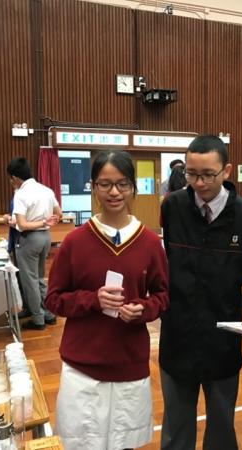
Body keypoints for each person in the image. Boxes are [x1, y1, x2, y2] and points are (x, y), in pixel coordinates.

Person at [45, 150, 168, 450]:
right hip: (82, 368)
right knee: (81, 444)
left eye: (122, 184)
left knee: (124, 444)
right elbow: (53, 299)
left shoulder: (151, 243)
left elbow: (163, 296)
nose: (114, 192)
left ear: (133, 188)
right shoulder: (74, 242)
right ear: (94, 187)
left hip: (129, 364)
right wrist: (93, 300)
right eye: (105, 184)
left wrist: (143, 310)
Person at [159, 134, 242, 450]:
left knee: (221, 425)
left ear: (226, 171)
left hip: (223, 336)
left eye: (207, 175)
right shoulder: (173, 206)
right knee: (176, 426)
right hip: (177, 333)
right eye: (191, 174)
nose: (199, 183)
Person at [7, 157, 61, 330]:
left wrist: (11, 221)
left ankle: (37, 319)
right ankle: (49, 314)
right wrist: (47, 222)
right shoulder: (46, 190)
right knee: (39, 278)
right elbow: (58, 213)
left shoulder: (21, 194)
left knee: (29, 280)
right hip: (46, 238)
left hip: (30, 239)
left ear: (15, 177)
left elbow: (22, 224)